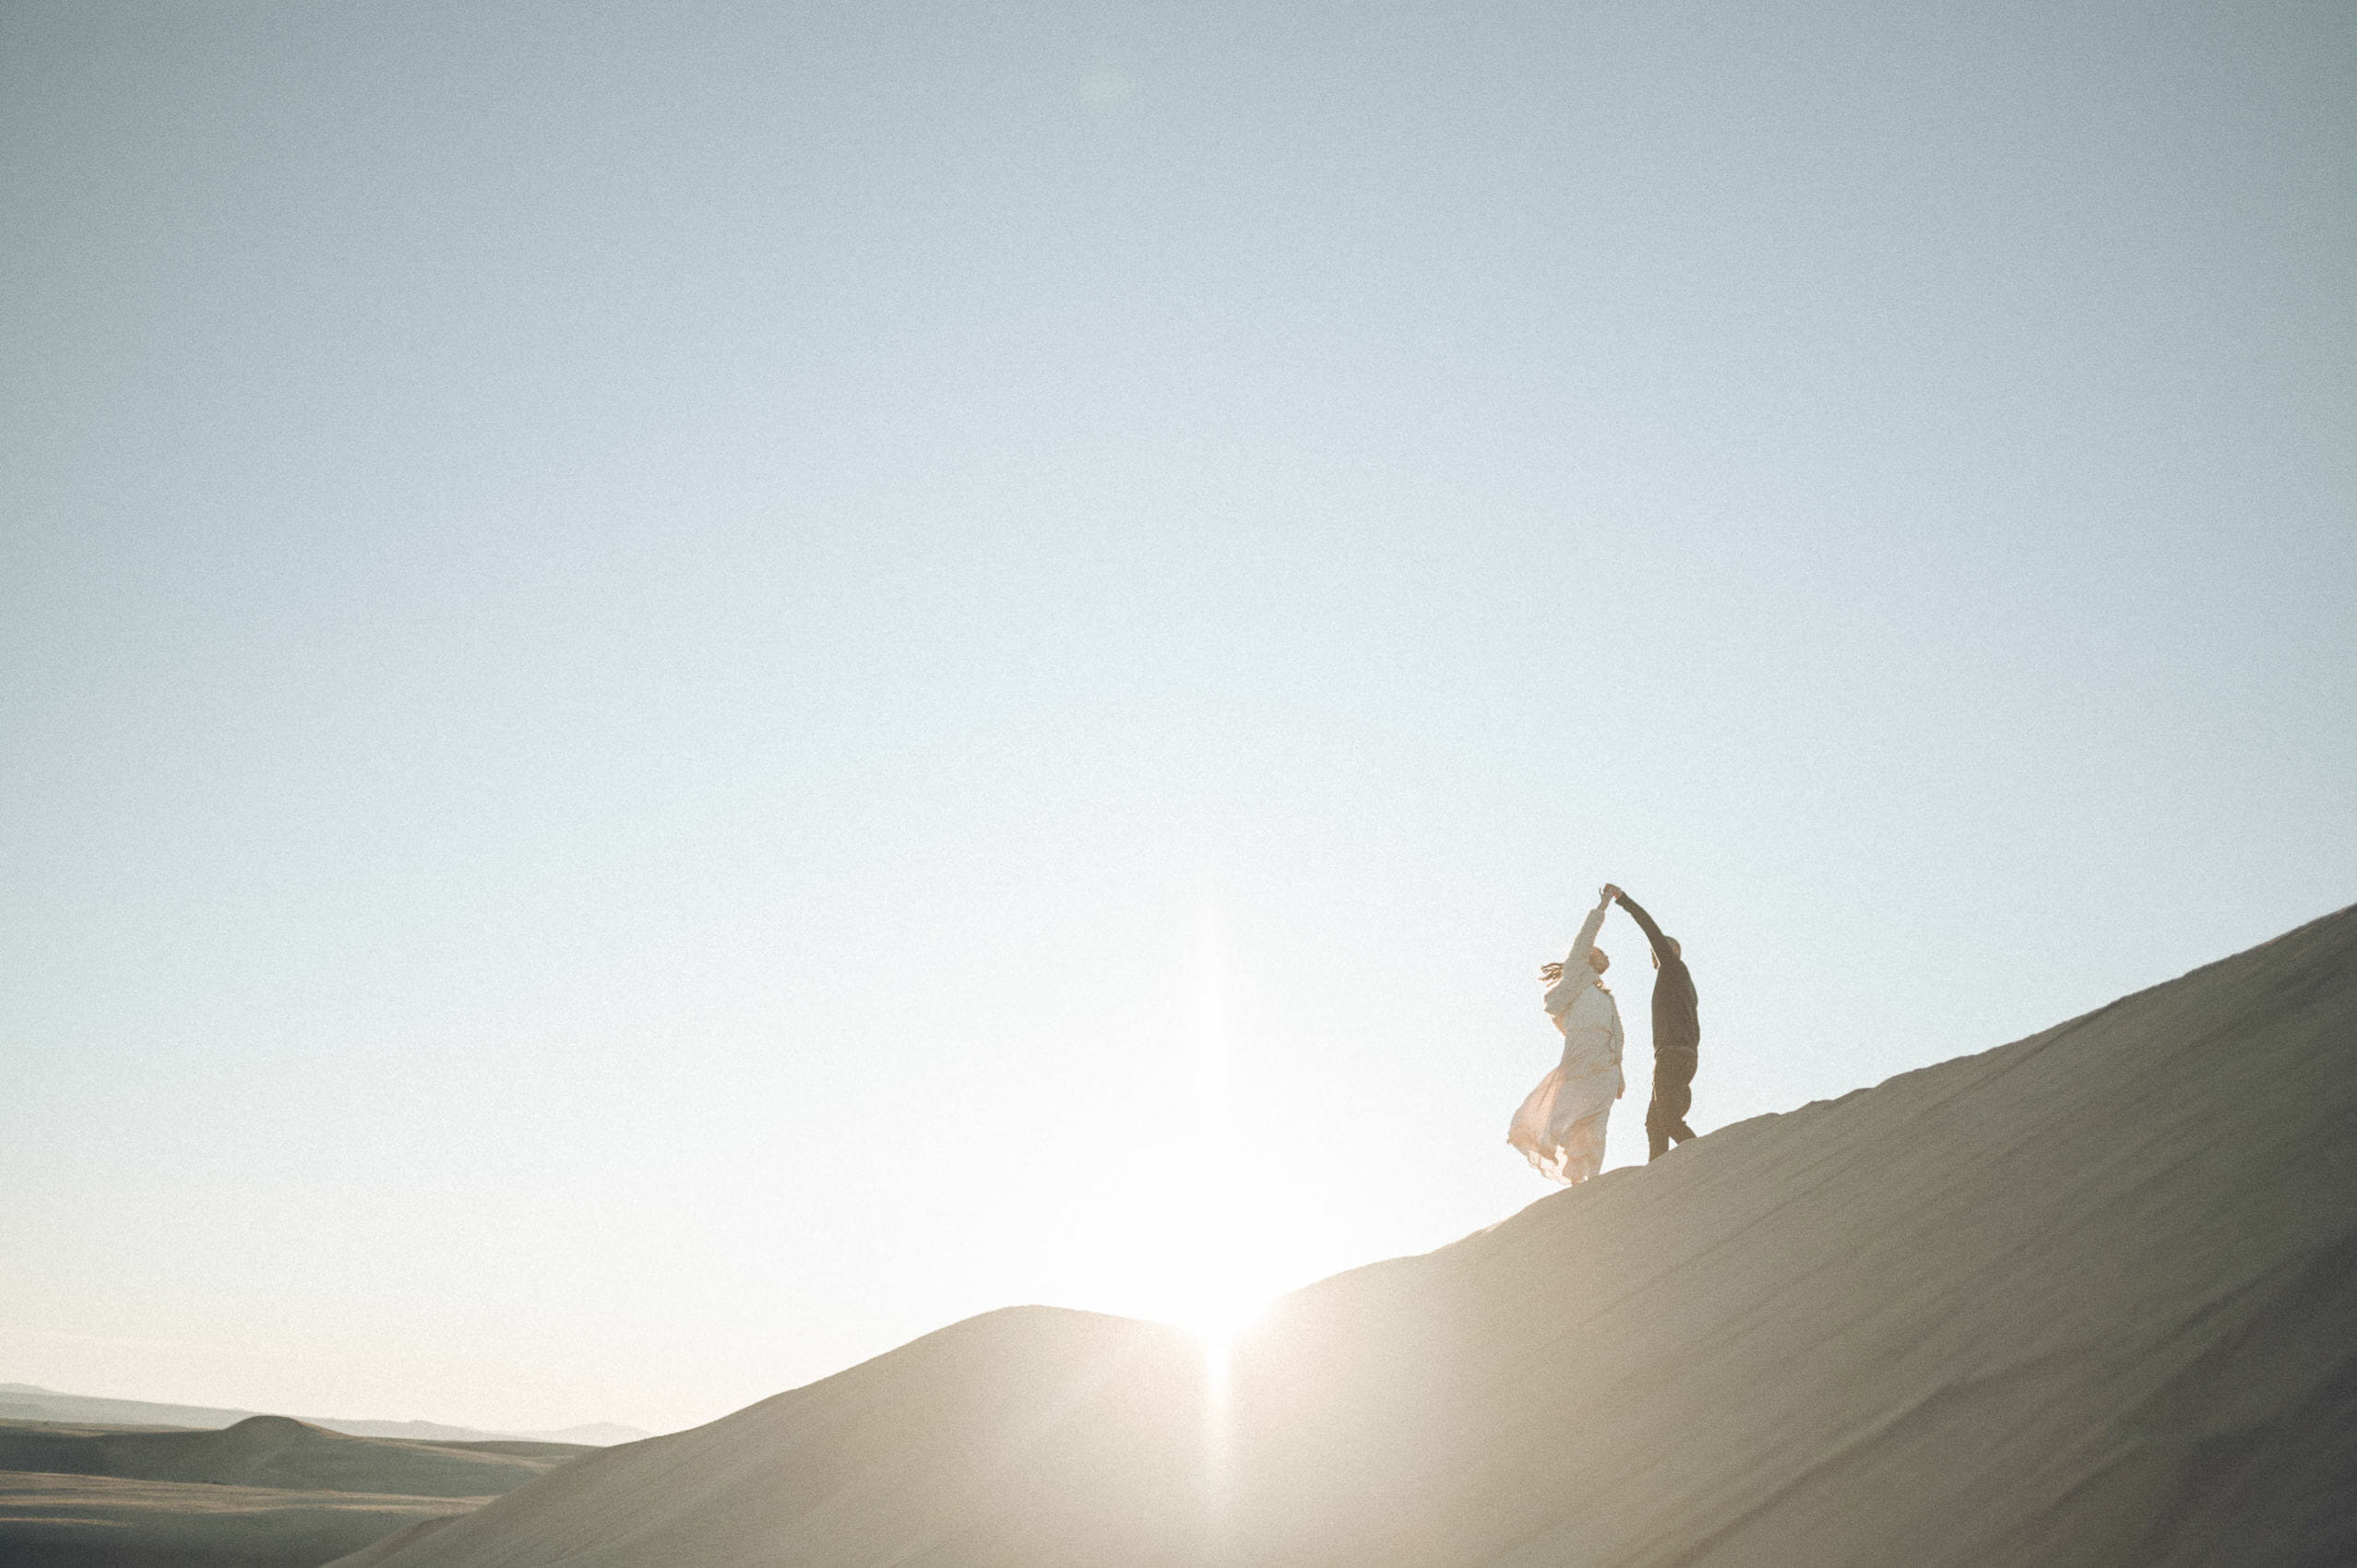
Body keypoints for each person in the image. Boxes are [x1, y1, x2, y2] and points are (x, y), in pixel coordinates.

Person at [1507, 886, 1625, 1183]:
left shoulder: (1606, 997)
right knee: (1572, 1106)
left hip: (1607, 1063)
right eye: (1598, 951)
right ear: (1586, 958)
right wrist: (1603, 904)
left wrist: (1619, 1073)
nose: (1603, 953)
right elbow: (1585, 938)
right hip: (1582, 1051)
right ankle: (1541, 1136)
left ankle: (1586, 1175)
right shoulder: (1577, 976)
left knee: (1597, 1120)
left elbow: (1618, 1036)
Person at [1608, 885, 1700, 1159]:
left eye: (1659, 949)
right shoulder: (1681, 984)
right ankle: (1659, 1176)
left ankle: (1705, 1158)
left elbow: (1651, 929)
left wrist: (1623, 900)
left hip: (1673, 1055)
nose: (1654, 952)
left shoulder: (1672, 969)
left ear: (1672, 951)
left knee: (1669, 1121)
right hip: (1679, 1056)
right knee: (1654, 1123)